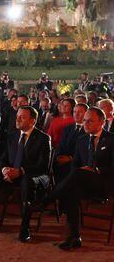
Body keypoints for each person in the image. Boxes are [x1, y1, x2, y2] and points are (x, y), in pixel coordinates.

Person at [42, 107, 114, 250]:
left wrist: (95, 170)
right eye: (85, 121)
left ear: (102, 122)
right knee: (71, 191)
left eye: (90, 121)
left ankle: (47, 200)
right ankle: (74, 237)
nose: (85, 124)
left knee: (76, 175)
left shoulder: (111, 140)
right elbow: (75, 166)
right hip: (82, 182)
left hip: (105, 183)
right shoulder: (81, 140)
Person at [0, 106, 51, 243]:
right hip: (11, 173)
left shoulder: (43, 138)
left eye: (22, 117)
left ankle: (25, 227)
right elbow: (3, 159)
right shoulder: (12, 136)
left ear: (32, 121)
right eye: (17, 116)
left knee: (26, 182)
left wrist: (21, 171)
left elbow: (42, 166)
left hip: (32, 175)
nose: (17, 119)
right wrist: (5, 169)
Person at [54, 103, 88, 183]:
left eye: (80, 112)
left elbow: (85, 151)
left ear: (86, 114)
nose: (76, 114)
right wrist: (58, 156)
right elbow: (61, 145)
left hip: (77, 163)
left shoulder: (88, 130)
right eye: (75, 111)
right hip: (62, 161)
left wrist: (70, 158)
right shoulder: (68, 128)